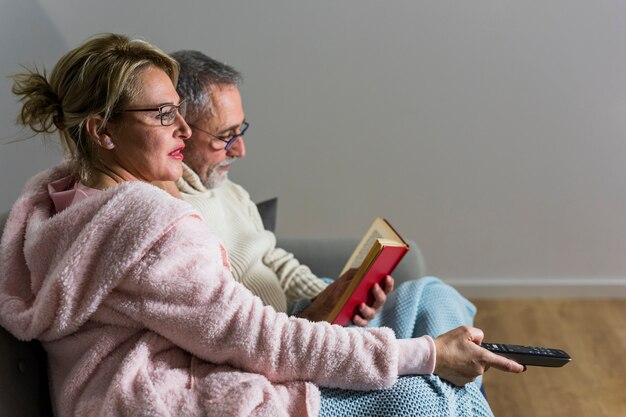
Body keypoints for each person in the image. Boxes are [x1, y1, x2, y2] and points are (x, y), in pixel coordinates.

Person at [0, 34, 523, 417]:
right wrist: (429, 355)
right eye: (163, 115)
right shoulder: (150, 223)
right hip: (184, 400)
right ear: (102, 132)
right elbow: (262, 339)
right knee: (426, 400)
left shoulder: (55, 201)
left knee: (427, 319)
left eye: (180, 113)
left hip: (142, 391)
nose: (182, 129)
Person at [168, 50, 522, 415]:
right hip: (282, 346)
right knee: (419, 395)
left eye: (240, 131)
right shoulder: (174, 220)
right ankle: (456, 396)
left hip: (305, 315)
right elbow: (241, 334)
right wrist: (315, 319)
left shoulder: (229, 192)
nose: (240, 149)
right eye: (225, 136)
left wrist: (336, 296)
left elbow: (273, 257)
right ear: (178, 130)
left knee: (434, 294)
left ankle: (450, 387)